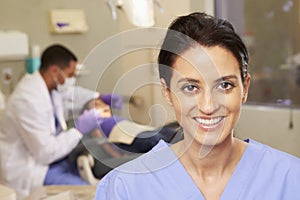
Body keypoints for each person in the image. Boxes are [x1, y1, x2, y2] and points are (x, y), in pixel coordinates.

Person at [95, 12, 300, 199]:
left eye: (224, 85)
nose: (208, 106)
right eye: (190, 88)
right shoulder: (125, 188)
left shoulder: (290, 179)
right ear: (167, 92)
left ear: (244, 89)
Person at [0, 44, 119, 199]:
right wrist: (79, 129)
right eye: (70, 74)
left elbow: (71, 95)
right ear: (55, 71)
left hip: (53, 161)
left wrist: (98, 96)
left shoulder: (49, 87)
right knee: (89, 193)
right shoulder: (28, 100)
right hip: (33, 169)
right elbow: (45, 153)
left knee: (101, 180)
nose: (72, 78)